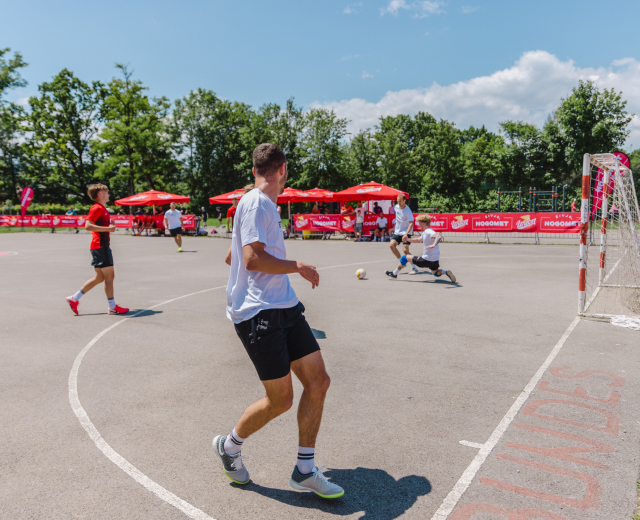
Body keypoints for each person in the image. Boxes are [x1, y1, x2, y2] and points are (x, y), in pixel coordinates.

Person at [216, 143, 344, 499]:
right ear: (283, 169)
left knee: (318, 382)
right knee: (281, 400)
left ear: (255, 169)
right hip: (259, 314)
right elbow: (251, 259)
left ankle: (304, 470)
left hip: (284, 306)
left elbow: (232, 257)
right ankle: (229, 446)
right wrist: (296, 266)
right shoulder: (257, 202)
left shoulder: (259, 204)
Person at [66, 184, 129, 316]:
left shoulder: (102, 209)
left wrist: (109, 226)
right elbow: (88, 226)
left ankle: (74, 298)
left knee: (99, 277)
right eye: (107, 192)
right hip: (100, 246)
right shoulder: (96, 208)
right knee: (109, 276)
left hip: (100, 246)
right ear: (100, 194)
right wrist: (109, 228)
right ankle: (112, 307)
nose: (109, 194)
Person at [386, 214, 456, 282]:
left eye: (419, 223)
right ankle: (445, 272)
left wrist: (434, 244)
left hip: (426, 260)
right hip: (435, 260)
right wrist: (408, 239)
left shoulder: (429, 232)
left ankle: (394, 273)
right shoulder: (426, 232)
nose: (418, 225)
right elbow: (418, 240)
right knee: (435, 273)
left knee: (404, 257)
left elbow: (438, 236)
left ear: (424, 224)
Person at [389, 194, 419, 274]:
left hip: (406, 232)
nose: (398, 203)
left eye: (400, 201)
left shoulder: (408, 211)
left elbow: (411, 223)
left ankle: (414, 267)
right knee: (392, 245)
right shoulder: (396, 207)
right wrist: (397, 220)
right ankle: (402, 262)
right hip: (398, 231)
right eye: (397, 201)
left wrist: (406, 234)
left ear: (404, 200)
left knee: (405, 250)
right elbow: (399, 215)